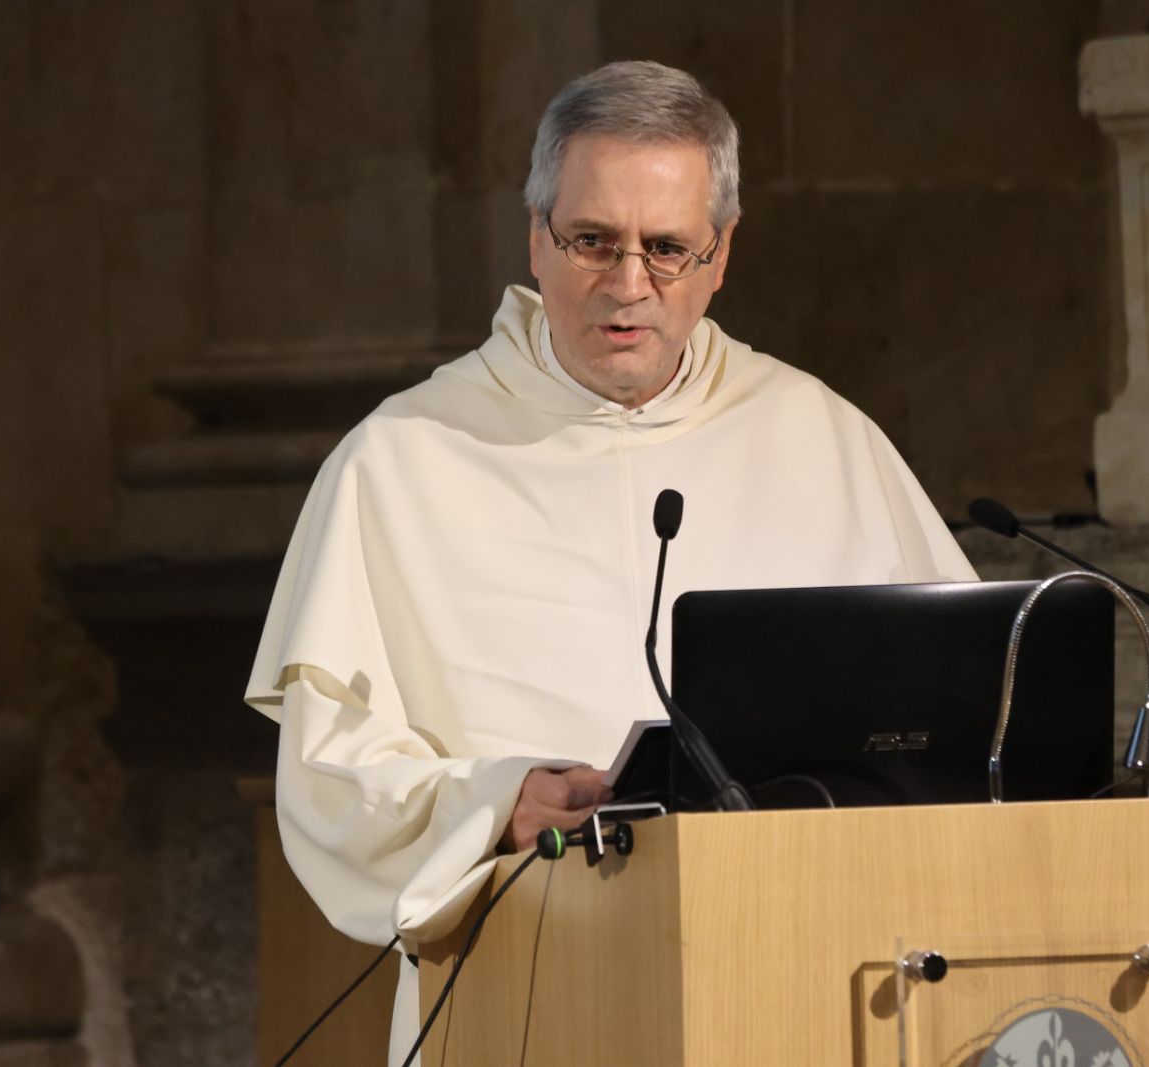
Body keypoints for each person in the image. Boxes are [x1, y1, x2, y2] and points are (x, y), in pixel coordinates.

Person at [245, 60, 976, 1061]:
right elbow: (330, 783)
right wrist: (496, 802)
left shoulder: (823, 440)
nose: (629, 284)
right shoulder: (400, 459)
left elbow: (957, 723)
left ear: (721, 254)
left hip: (792, 981)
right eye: (592, 240)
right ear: (535, 237)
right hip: (525, 992)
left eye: (667, 248)